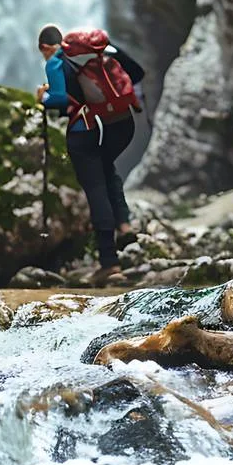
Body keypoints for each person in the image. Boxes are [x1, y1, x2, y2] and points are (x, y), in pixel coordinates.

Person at [35, 23, 146, 285]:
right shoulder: (101, 52)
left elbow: (60, 100)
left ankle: (109, 263)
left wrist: (43, 98)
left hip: (84, 130)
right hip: (116, 124)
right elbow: (138, 73)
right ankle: (124, 225)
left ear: (45, 48)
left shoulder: (54, 62)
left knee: (96, 188)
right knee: (107, 170)